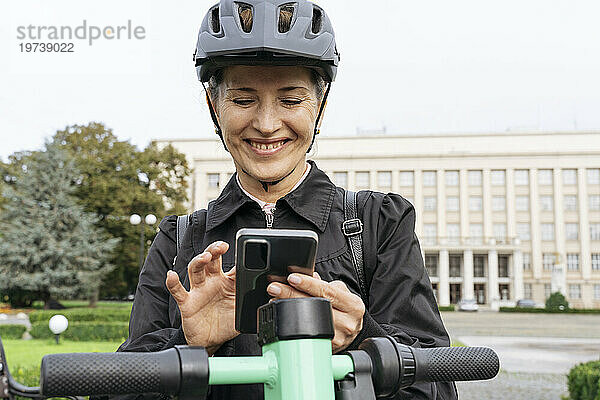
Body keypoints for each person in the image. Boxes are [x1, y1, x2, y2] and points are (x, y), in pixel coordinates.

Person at [116, 1, 458, 399]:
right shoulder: (178, 240)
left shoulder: (380, 223)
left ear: (321, 105)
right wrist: (192, 347)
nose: (266, 124)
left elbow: (439, 388)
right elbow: (121, 389)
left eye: (291, 100)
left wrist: (363, 338)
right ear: (214, 106)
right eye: (243, 100)